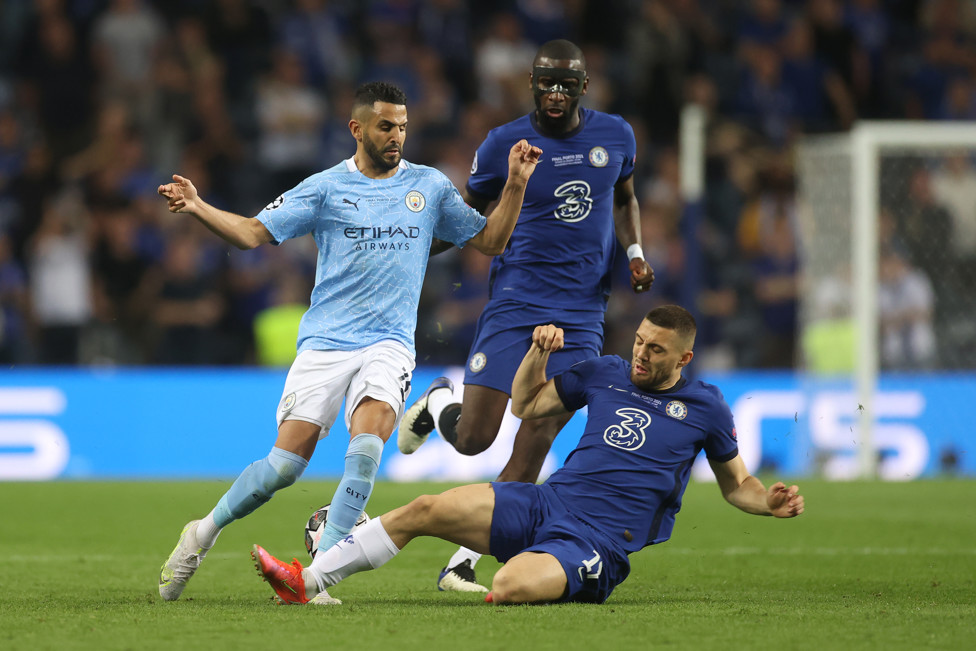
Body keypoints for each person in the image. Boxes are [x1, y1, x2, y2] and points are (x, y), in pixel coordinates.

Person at [155, 81, 542, 603]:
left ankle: (320, 574)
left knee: (366, 448)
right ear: (357, 128)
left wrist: (515, 183)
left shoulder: (428, 188)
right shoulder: (325, 188)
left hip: (388, 343)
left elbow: (491, 241)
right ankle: (202, 532)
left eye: (403, 126)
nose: (397, 136)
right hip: (325, 341)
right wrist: (199, 206)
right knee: (284, 468)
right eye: (386, 126)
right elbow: (251, 233)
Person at [252, 305, 805, 605]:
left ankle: (542, 572)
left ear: (684, 357)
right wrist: (538, 355)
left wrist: (768, 503)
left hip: (599, 541)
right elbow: (526, 404)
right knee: (424, 508)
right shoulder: (606, 373)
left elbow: (738, 484)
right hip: (544, 504)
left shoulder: (706, 408)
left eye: (655, 349)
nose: (640, 354)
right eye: (638, 341)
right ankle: (309, 581)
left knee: (509, 586)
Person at [395, 38, 655, 592]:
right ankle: (441, 399)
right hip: (516, 302)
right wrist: (412, 251)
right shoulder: (502, 144)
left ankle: (462, 563)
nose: (555, 93)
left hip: (583, 313)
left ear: (584, 86)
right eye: (545, 83)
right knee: (473, 440)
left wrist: (634, 254)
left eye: (566, 83)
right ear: (532, 84)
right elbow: (468, 216)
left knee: (536, 436)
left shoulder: (616, 136)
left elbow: (625, 198)